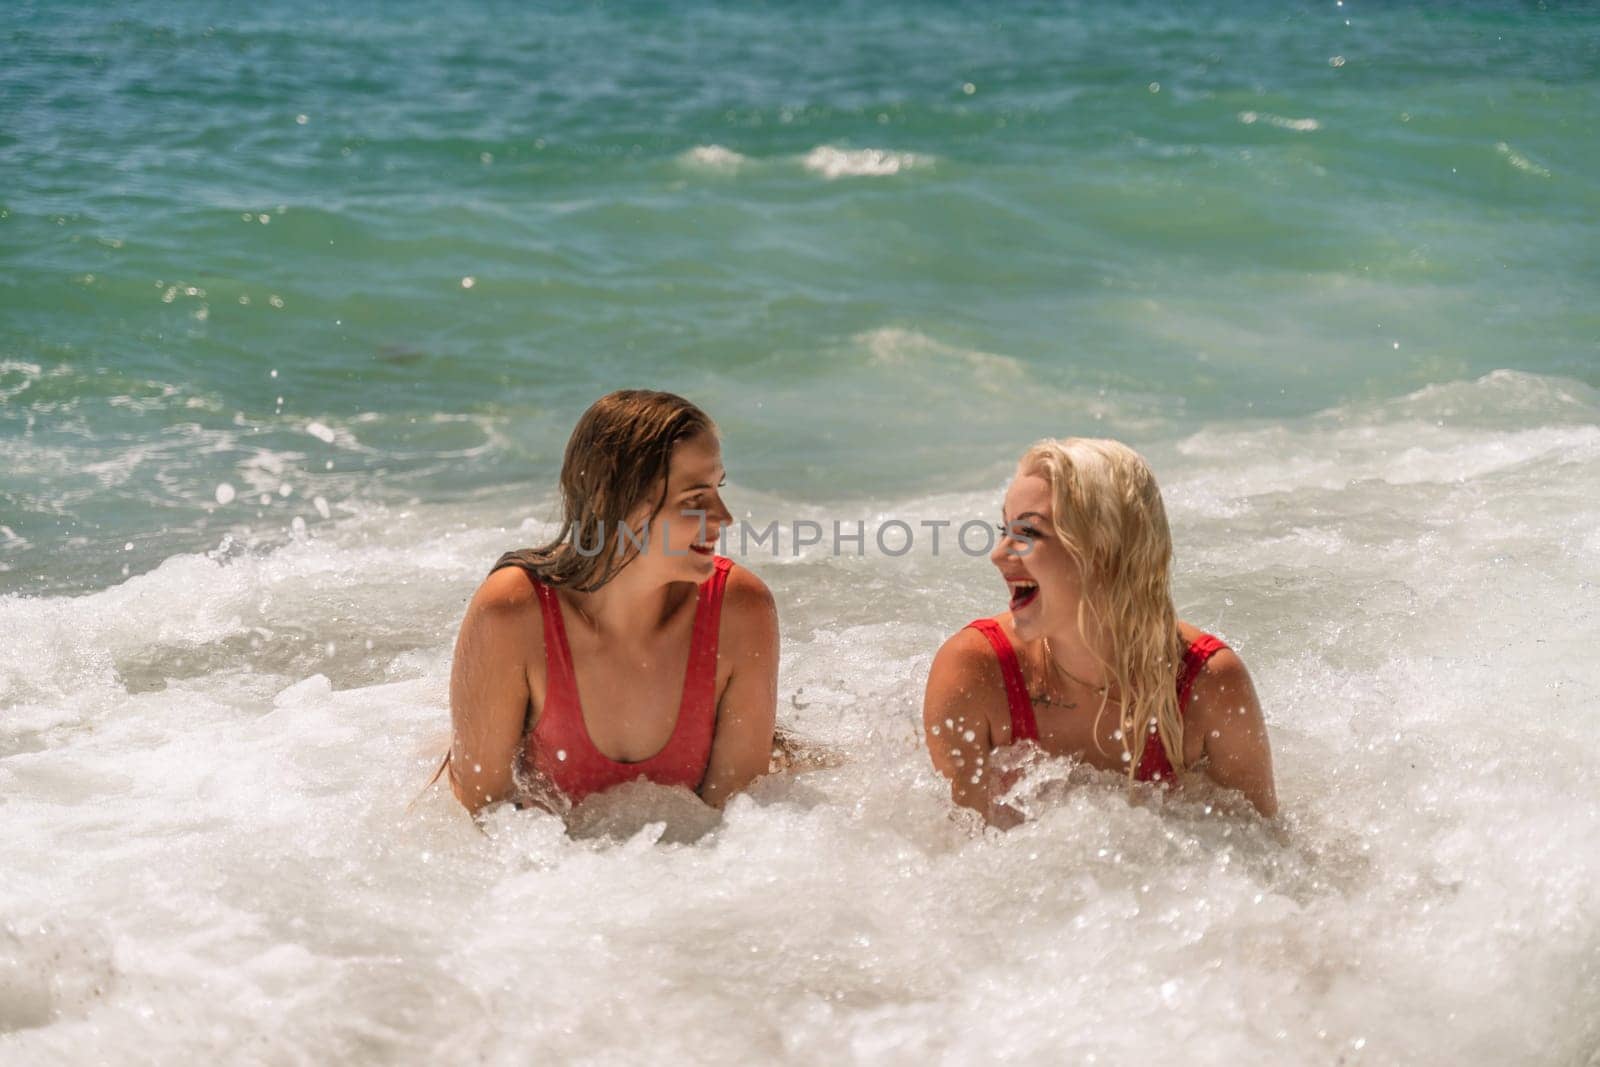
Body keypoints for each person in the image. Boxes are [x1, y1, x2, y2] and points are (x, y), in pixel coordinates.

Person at [444, 390, 778, 816]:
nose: (724, 516)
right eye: (695, 498)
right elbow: (481, 821)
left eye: (717, 489)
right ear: (618, 503)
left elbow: (739, 828)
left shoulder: (739, 610)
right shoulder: (513, 613)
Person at [922, 437, 1277, 824]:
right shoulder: (976, 671)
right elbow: (955, 856)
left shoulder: (1206, 683)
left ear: (1104, 551)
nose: (998, 554)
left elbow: (1262, 852)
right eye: (1003, 529)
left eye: (1028, 534)